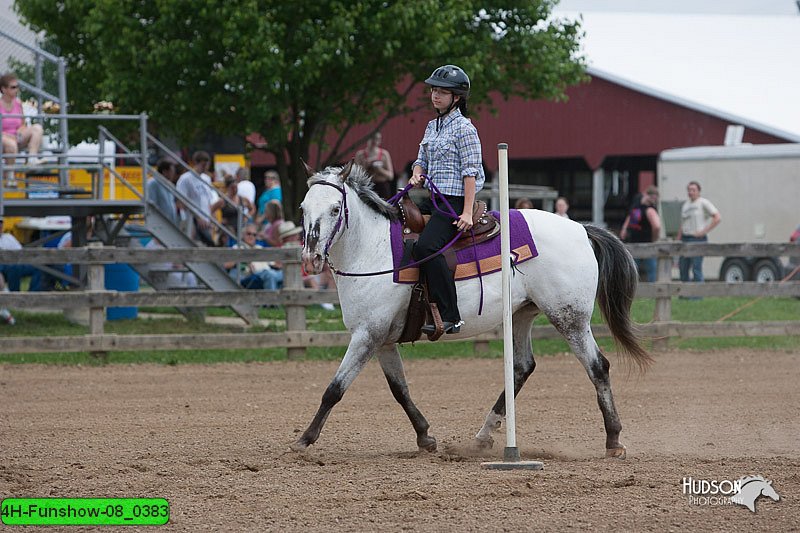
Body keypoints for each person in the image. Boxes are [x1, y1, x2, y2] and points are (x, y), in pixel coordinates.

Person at [408, 65, 485, 335]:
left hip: (453, 201)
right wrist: (417, 174)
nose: (435, 96)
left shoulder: (465, 129)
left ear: (457, 98)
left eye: (442, 92)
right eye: (433, 90)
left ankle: (451, 315)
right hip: (433, 197)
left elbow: (471, 172)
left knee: (427, 247)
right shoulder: (432, 126)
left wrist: (466, 212)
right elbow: (421, 160)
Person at [1, 72, 45, 180]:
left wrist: (20, 131)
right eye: (13, 87)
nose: (16, 90)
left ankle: (32, 160)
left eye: (17, 87)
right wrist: (9, 136)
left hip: (16, 137)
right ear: (3, 89)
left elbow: (22, 124)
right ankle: (10, 176)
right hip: (4, 138)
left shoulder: (18, 103)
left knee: (37, 128)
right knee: (11, 145)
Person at [676, 180, 721, 285]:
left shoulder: (703, 202)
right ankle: (685, 295)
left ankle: (698, 296)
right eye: (689, 190)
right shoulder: (685, 205)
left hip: (697, 239)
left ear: (698, 191)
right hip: (685, 238)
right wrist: (678, 238)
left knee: (696, 268)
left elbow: (717, 217)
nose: (691, 192)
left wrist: (703, 231)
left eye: (693, 190)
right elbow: (682, 223)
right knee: (683, 267)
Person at [175, 151, 218, 246]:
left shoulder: (206, 178)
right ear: (196, 163)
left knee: (208, 244)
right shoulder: (186, 179)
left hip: (206, 219)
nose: (205, 167)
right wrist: (197, 217)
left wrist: (212, 217)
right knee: (196, 244)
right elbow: (181, 201)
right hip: (192, 219)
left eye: (207, 165)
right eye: (203, 165)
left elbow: (208, 200)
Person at [620, 186, 662, 282]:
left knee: (651, 268)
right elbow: (631, 215)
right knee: (633, 268)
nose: (654, 201)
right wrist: (625, 228)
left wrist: (654, 239)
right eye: (653, 198)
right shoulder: (637, 203)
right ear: (647, 195)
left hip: (646, 241)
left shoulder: (650, 209)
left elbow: (657, 226)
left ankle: (653, 290)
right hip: (634, 241)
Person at [0, 216, 41, 292]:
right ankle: (14, 294)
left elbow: (22, 253)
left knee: (39, 267)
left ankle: (33, 294)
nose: (0, 226)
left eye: (1, 223)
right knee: (13, 267)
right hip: (4, 266)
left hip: (16, 263)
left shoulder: (8, 237)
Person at [354, 131, 395, 199]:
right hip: (366, 187)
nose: (374, 141)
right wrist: (365, 166)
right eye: (372, 139)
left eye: (377, 139)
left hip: (381, 187)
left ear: (380, 140)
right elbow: (355, 176)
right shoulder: (360, 155)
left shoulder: (384, 154)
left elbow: (391, 176)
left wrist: (379, 170)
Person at [146, 158, 180, 225]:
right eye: (172, 171)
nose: (173, 174)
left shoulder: (169, 185)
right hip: (159, 224)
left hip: (170, 223)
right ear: (165, 172)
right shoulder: (153, 183)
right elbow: (151, 204)